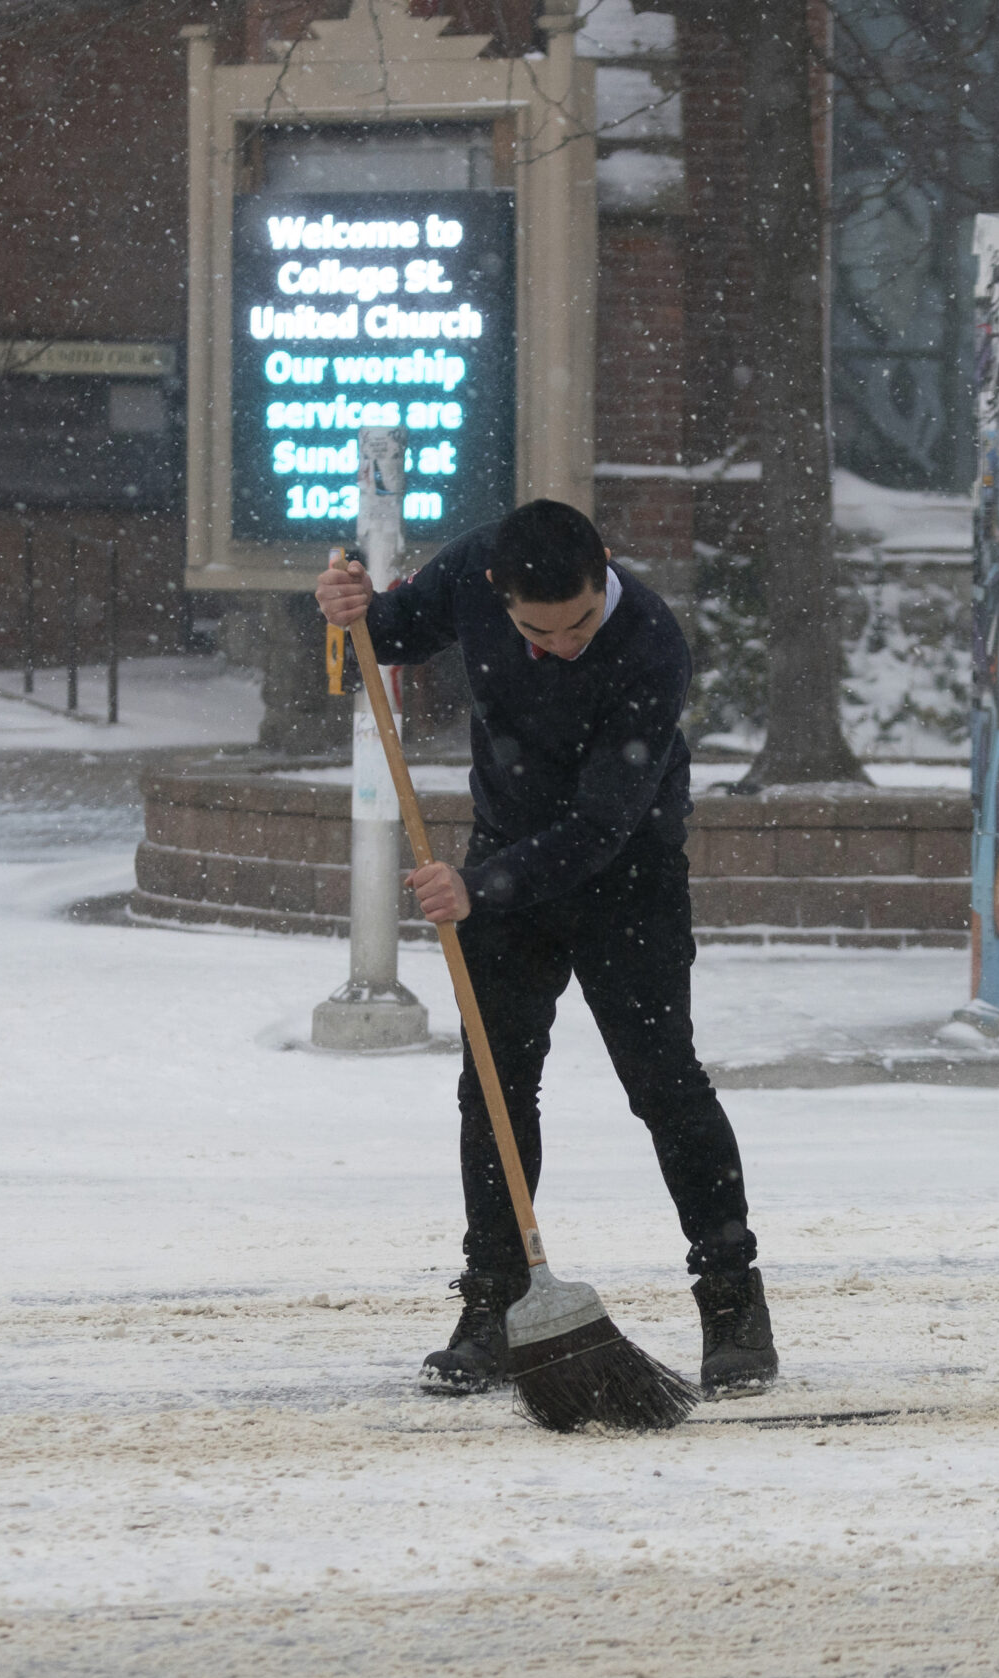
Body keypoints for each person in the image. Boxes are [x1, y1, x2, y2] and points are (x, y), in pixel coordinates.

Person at [314, 498, 778, 1398]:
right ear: (499, 591)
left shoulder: (649, 641)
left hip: (627, 883)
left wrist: (477, 887)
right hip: (505, 869)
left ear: (602, 571)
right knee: (493, 1084)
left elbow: (602, 823)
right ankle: (494, 1302)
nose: (567, 644)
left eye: (580, 624)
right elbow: (392, 631)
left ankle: (731, 1302)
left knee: (665, 1084)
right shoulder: (473, 571)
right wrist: (346, 602)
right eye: (541, 631)